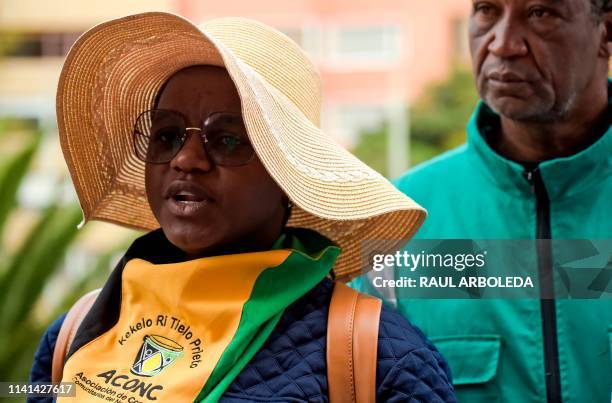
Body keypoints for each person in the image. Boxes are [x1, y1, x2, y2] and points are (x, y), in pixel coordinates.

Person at [28, 12, 457, 403]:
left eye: (227, 139)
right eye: (166, 134)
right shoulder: (73, 335)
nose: (186, 159)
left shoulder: (379, 360)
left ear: (290, 178)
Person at [354, 0, 612, 401]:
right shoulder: (398, 220)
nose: (504, 44)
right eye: (487, 10)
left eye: (540, 13)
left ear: (606, 30)